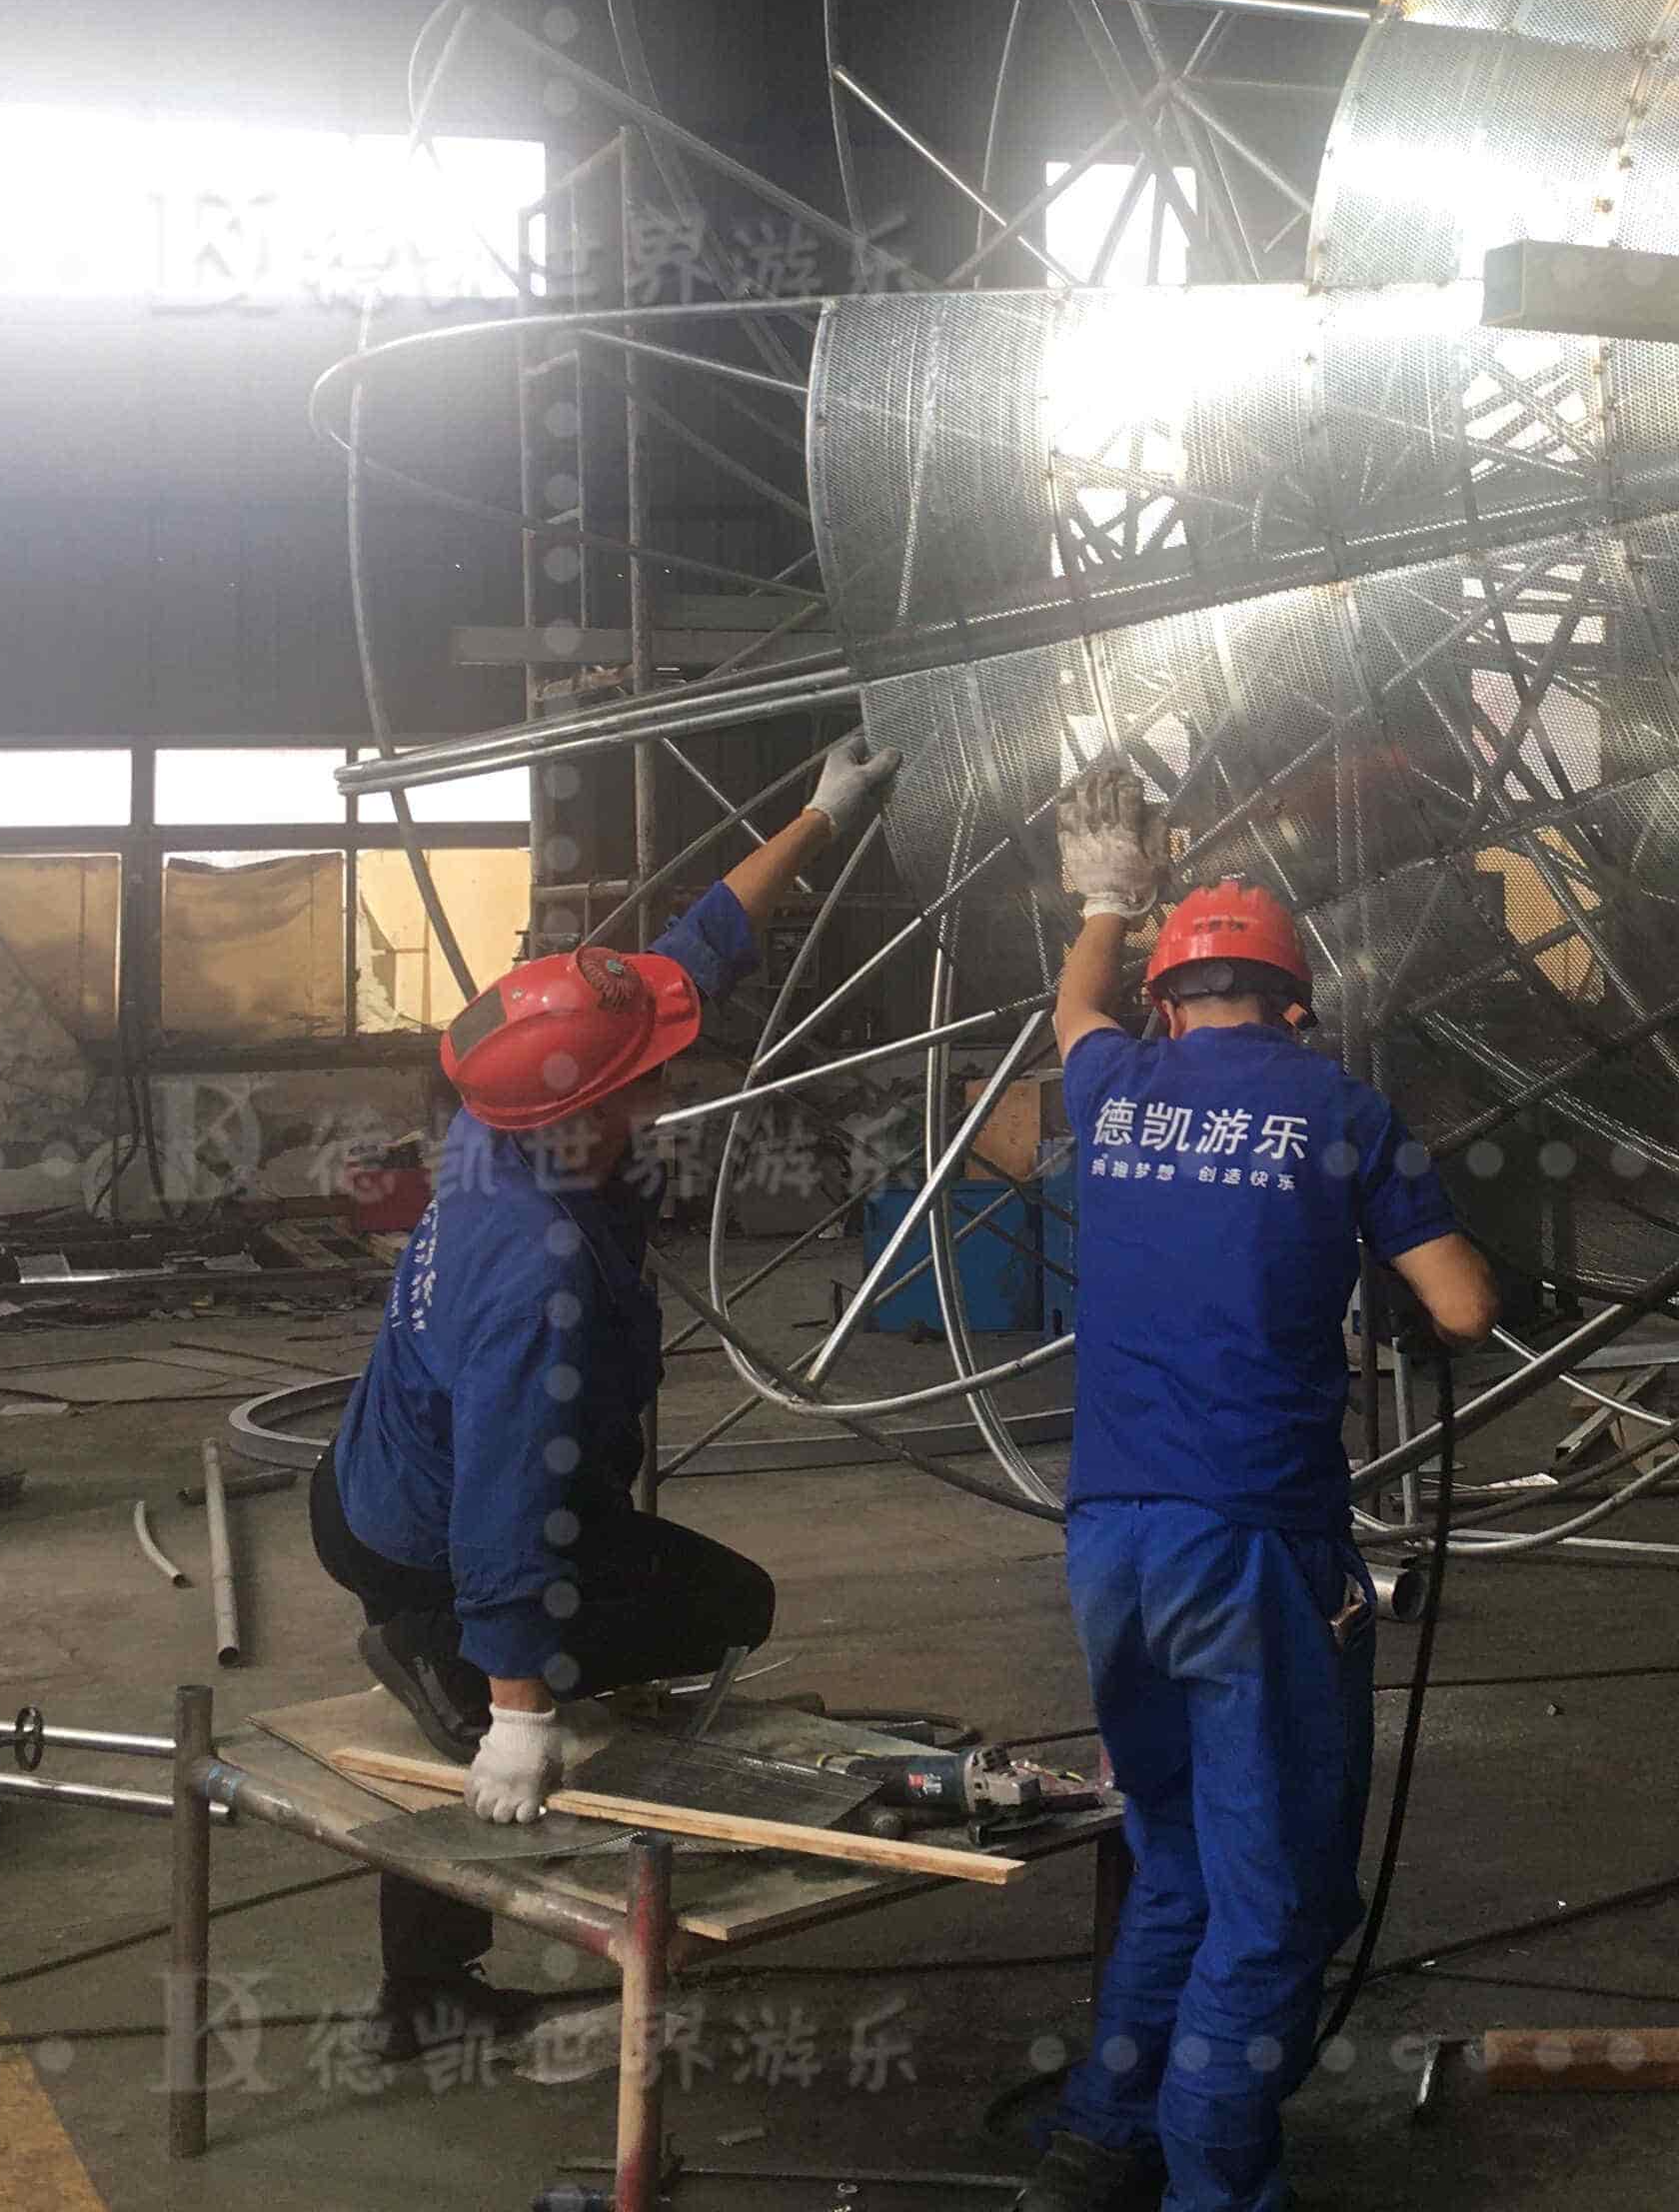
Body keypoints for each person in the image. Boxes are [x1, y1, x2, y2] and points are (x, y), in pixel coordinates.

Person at [313, 732, 903, 2056]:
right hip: (434, 1530)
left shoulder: (515, 1103)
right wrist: (521, 1706)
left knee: (484, 1671)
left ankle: (425, 1988)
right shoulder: (536, 1275)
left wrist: (821, 815)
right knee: (715, 1606)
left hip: (382, 1481)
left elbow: (694, 952)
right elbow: (505, 1500)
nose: (670, 1077)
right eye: (653, 1073)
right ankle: (454, 1667)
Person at [1017, 763, 1501, 2212]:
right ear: (1296, 1006)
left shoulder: (1116, 1090)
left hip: (1111, 1540)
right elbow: (1464, 1308)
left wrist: (1105, 899)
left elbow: (1072, 1013)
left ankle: (1101, 2136)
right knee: (1278, 1893)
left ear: (1170, 1004)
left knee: (1172, 1856)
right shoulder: (1339, 1108)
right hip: (1254, 1546)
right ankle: (1214, 2184)